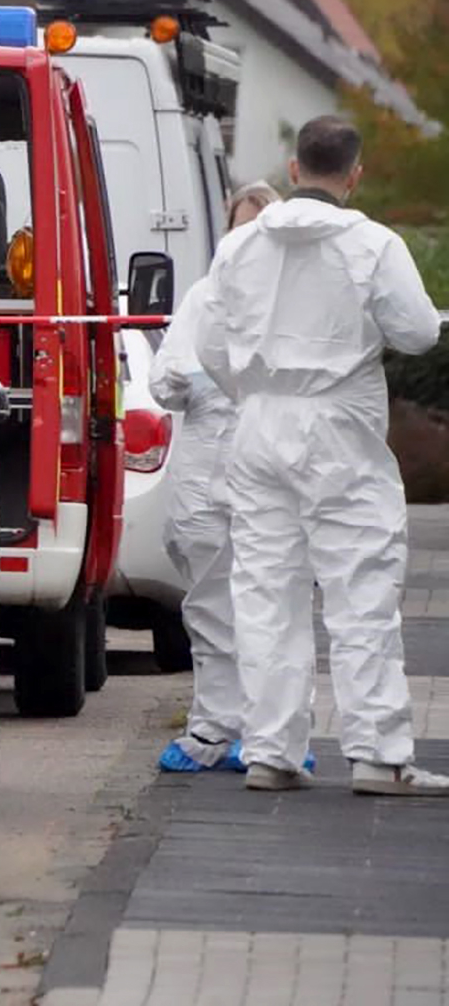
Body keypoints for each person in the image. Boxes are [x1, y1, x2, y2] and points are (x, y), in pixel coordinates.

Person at [196, 117, 445, 795]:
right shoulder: (372, 245)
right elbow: (419, 334)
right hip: (338, 425)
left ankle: (272, 751)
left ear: (292, 169)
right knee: (359, 587)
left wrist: (251, 392)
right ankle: (376, 754)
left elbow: (210, 345)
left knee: (265, 592)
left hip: (257, 425)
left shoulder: (239, 247)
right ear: (354, 174)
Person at [148, 180, 281, 773]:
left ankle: (270, 734)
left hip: (270, 472)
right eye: (240, 227)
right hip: (206, 475)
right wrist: (196, 380)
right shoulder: (206, 297)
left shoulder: (292, 301)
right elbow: (163, 377)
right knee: (208, 608)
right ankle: (212, 729)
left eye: (260, 228)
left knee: (270, 609)